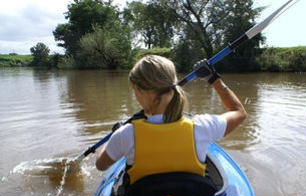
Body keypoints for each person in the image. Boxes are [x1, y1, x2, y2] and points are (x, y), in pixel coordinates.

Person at [96, 55, 247, 186]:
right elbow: (239, 112)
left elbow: (100, 165)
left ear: (141, 91)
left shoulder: (125, 135)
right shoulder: (202, 126)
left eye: (134, 91)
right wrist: (213, 79)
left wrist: (112, 137)